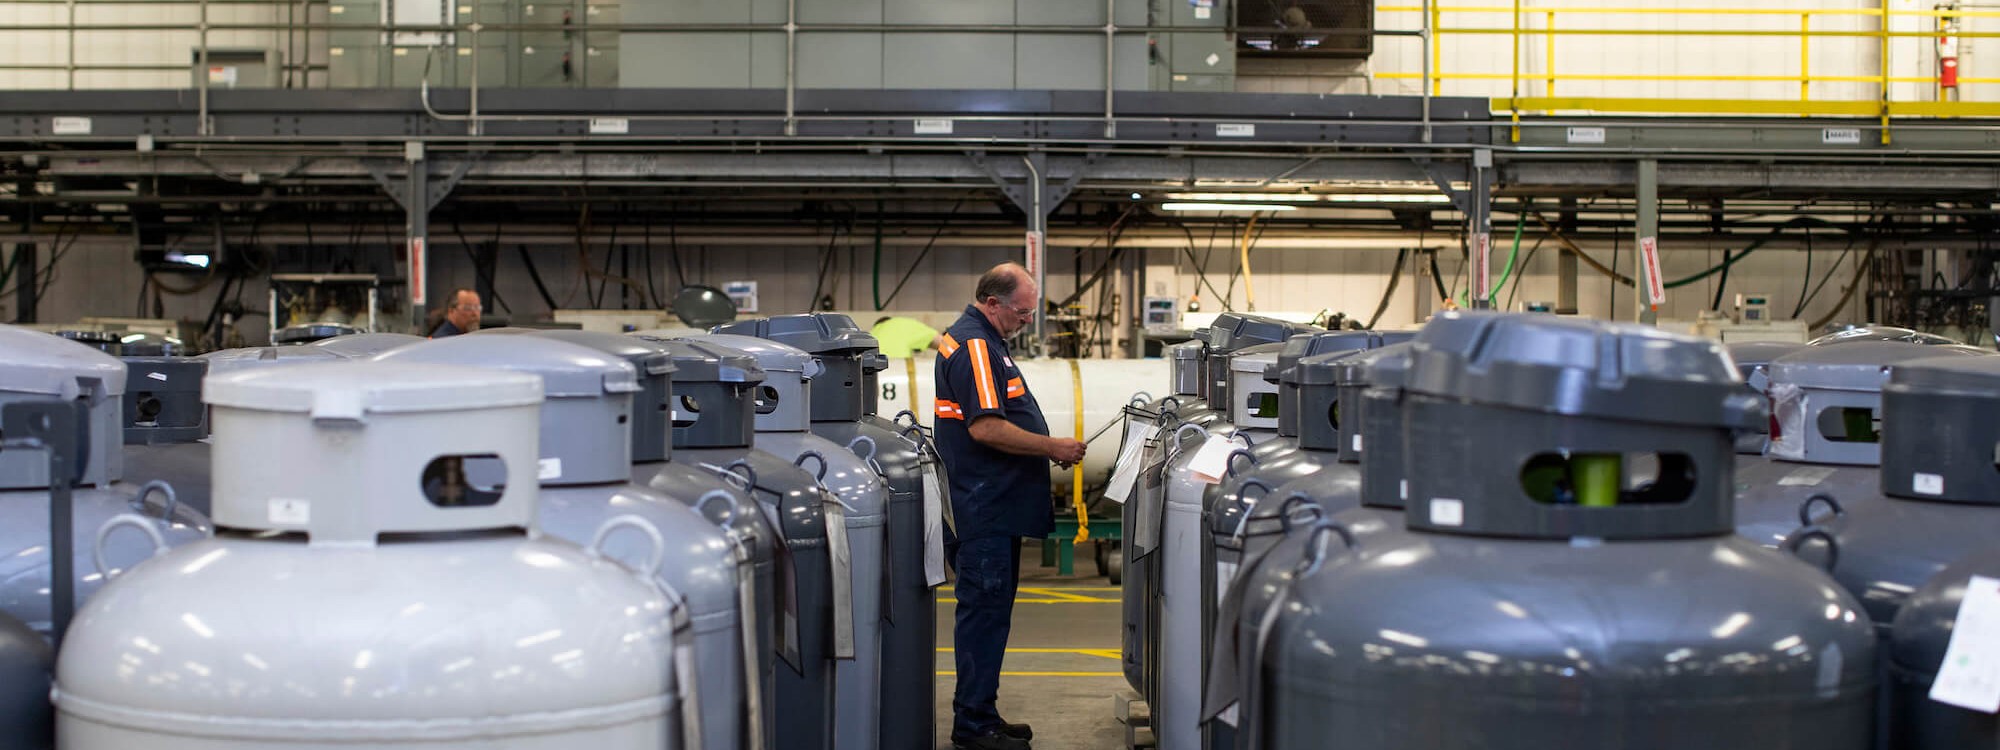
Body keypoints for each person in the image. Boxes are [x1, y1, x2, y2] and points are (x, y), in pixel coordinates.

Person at [932, 263, 1088, 750]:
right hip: (985, 507)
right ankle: (974, 726)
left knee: (990, 616)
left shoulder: (981, 340)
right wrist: (1052, 446)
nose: (1027, 319)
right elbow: (986, 428)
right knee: (983, 616)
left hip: (988, 504)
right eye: (1022, 311)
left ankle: (983, 712)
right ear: (992, 302)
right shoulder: (977, 347)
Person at [870, 315, 942, 358]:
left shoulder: (871, 333)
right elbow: (943, 343)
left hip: (874, 373)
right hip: (900, 369)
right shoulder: (904, 324)